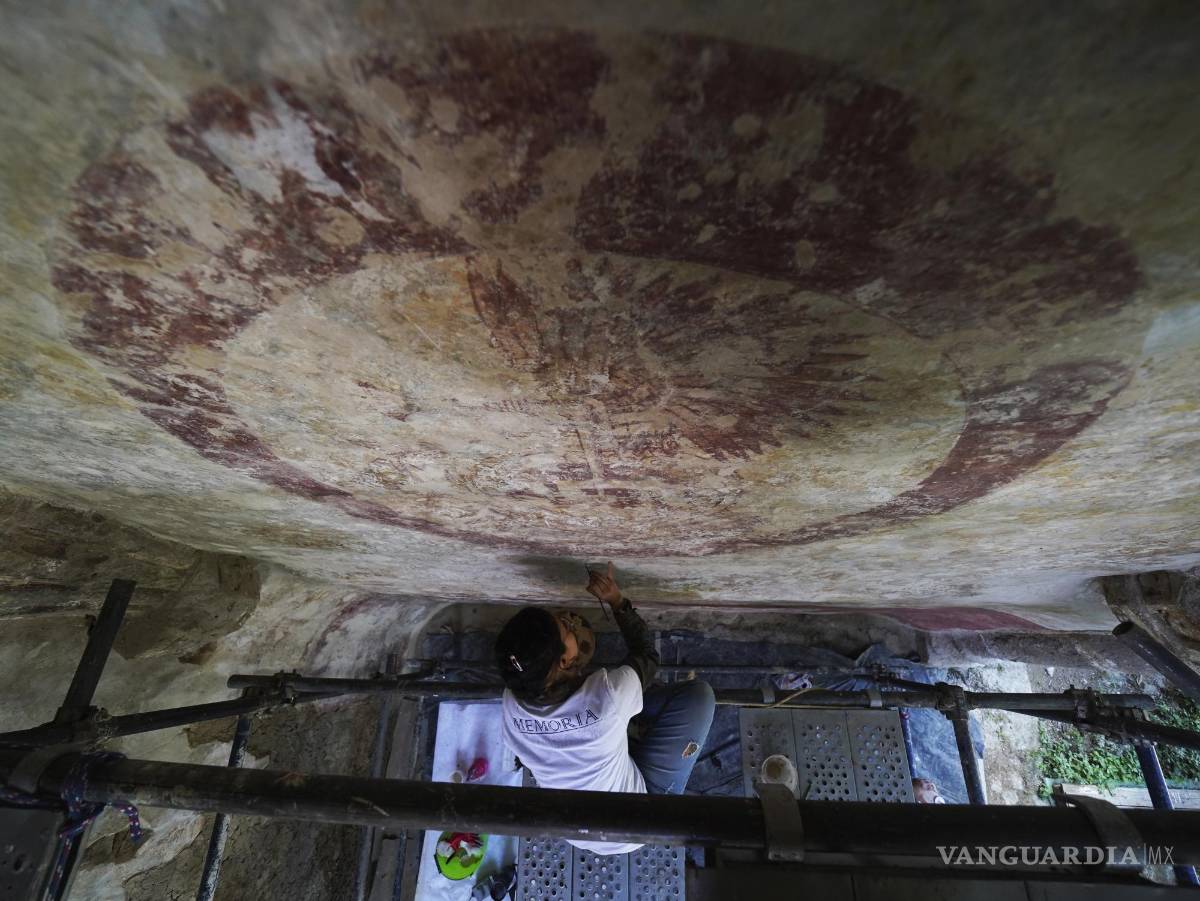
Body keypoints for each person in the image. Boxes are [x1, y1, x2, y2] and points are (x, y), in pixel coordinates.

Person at [496, 562, 716, 855]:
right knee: (699, 697)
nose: (570, 626)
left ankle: (629, 731)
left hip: (581, 829)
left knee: (623, 705)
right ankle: (637, 736)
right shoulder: (608, 695)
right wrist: (617, 601)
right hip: (640, 817)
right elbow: (646, 655)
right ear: (563, 661)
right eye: (566, 630)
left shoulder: (514, 707)